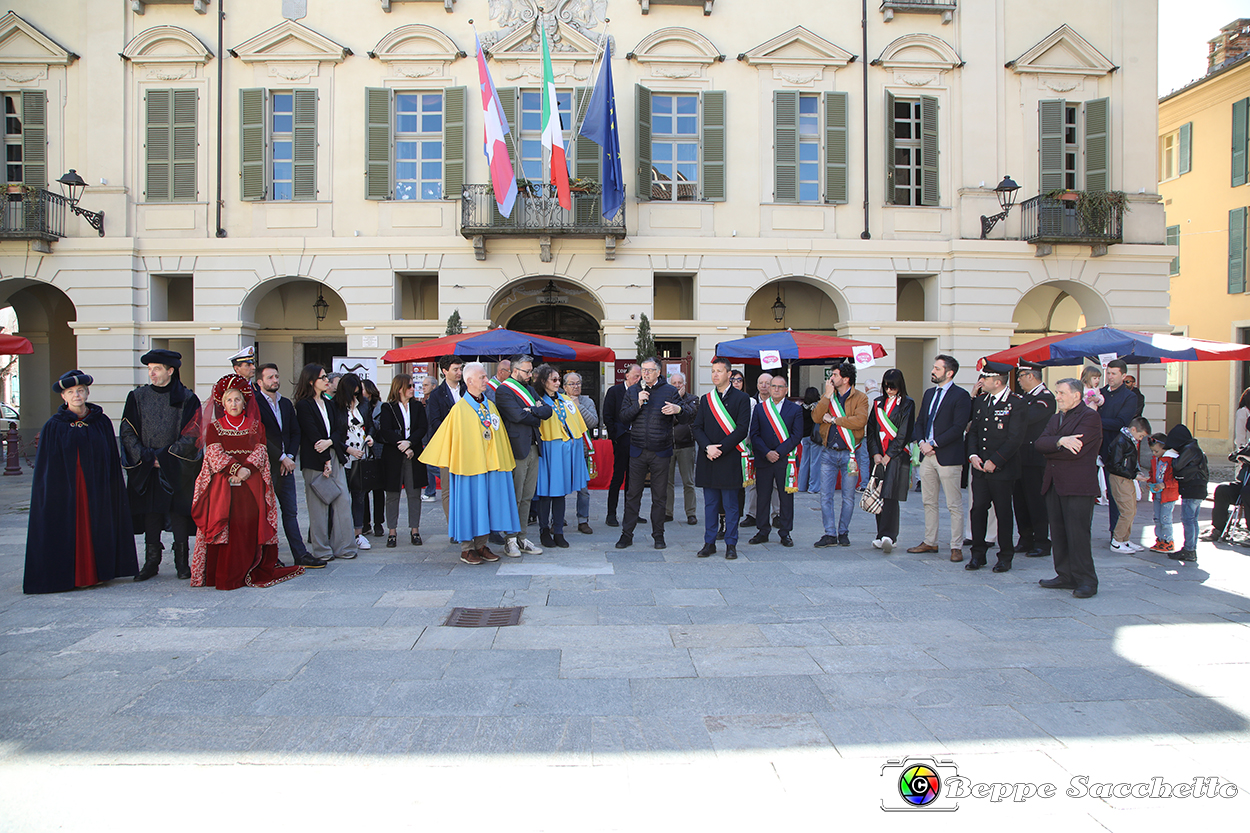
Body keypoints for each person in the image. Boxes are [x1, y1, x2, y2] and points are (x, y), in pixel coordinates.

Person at [24, 371, 138, 594]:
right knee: (71, 529)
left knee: (97, 526)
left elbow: (109, 459)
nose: (76, 395)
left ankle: (98, 572)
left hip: (97, 489)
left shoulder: (101, 422)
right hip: (66, 491)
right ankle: (70, 575)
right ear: (63, 397)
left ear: (87, 392)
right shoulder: (54, 426)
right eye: (70, 392)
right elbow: (47, 468)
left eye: (80, 391)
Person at [189, 374, 305, 590]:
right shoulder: (216, 427)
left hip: (251, 485)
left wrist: (246, 470)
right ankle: (224, 573)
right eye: (229, 400)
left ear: (244, 401)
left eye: (237, 399)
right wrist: (235, 469)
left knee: (247, 526)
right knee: (227, 527)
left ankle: (248, 569)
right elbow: (214, 454)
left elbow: (261, 451)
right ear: (223, 404)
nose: (234, 404)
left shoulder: (255, 426)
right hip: (223, 486)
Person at [419, 362, 519, 564]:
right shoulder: (459, 410)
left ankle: (481, 544)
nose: (486, 380)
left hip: (489, 465)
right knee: (469, 504)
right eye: (482, 377)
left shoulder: (489, 405)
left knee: (486, 503)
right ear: (469, 381)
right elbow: (453, 440)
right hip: (468, 467)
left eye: (485, 376)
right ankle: (467, 548)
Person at [120, 348, 202, 582]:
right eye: (149, 369)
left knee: (178, 513)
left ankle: (182, 563)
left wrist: (165, 457)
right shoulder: (137, 397)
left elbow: (193, 433)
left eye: (156, 369)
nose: (151, 374)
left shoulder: (187, 398)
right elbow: (127, 430)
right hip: (146, 464)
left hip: (176, 466)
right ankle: (151, 562)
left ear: (170, 370)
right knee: (151, 512)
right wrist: (146, 457)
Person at [616, 357, 695, 549]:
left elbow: (687, 416)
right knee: (633, 494)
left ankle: (658, 535)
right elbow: (623, 417)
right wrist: (638, 404)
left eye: (650, 370)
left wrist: (678, 409)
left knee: (659, 497)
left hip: (661, 451)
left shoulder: (669, 391)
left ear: (658, 372)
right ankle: (627, 534)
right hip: (637, 451)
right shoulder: (634, 391)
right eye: (643, 370)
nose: (646, 373)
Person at [1035, 378, 1103, 599]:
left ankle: (1086, 580)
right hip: (1054, 483)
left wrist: (1055, 444)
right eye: (1056, 392)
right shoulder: (1056, 418)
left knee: (1078, 534)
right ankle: (1065, 574)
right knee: (1059, 533)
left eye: (1062, 393)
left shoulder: (1090, 417)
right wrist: (1060, 441)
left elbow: (1076, 450)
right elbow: (1039, 444)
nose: (1057, 397)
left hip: (1078, 486)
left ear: (1077, 395)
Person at [254, 363, 325, 569]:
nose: (275, 380)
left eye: (276, 376)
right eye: (270, 377)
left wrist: (291, 455)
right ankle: (269, 556)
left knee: (290, 512)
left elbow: (295, 432)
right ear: (260, 382)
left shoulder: (285, 404)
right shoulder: (255, 403)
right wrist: (281, 457)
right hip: (267, 466)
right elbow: (259, 436)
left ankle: (300, 554)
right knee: (267, 513)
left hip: (287, 465)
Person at [907, 354, 973, 562]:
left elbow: (958, 427)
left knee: (954, 503)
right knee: (928, 501)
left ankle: (956, 546)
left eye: (937, 368)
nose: (933, 371)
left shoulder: (960, 396)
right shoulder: (929, 394)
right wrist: (922, 442)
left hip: (948, 456)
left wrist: (934, 444)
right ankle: (930, 541)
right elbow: (920, 422)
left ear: (949, 372)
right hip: (927, 456)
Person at [964, 359, 1027, 572]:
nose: (982, 381)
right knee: (978, 510)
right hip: (980, 468)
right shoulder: (982, 401)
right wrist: (973, 455)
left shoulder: (1016, 403)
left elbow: (1015, 438)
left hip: (1002, 469)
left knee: (1003, 513)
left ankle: (1005, 556)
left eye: (986, 378)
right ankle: (978, 554)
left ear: (998, 381)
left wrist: (996, 460)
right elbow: (973, 430)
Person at [294, 363, 357, 562]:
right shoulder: (304, 405)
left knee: (343, 501)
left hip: (334, 456)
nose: (327, 381)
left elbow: (340, 429)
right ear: (311, 381)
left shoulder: (329, 403)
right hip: (315, 461)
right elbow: (313, 435)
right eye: (322, 378)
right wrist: (324, 461)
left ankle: (345, 547)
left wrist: (330, 442)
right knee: (318, 506)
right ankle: (321, 550)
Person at [692, 358, 752, 559]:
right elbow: (697, 427)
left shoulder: (742, 399)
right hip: (708, 458)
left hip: (729, 459)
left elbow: (742, 429)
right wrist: (708, 447)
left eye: (719, 371)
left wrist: (722, 449)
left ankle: (731, 543)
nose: (715, 375)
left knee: (731, 505)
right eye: (713, 371)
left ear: (729, 374)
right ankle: (709, 542)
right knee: (710, 505)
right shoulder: (706, 399)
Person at [495, 354, 551, 557]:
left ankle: (522, 536)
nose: (530, 375)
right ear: (515, 370)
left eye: (531, 371)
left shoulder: (529, 389)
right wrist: (533, 412)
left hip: (534, 447)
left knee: (528, 496)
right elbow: (517, 416)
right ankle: (509, 538)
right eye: (527, 371)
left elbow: (547, 411)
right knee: (515, 496)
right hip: (517, 448)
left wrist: (532, 411)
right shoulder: (504, 390)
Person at [533, 364, 590, 548]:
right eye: (554, 380)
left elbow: (577, 426)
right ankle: (544, 531)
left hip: (564, 451)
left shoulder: (566, 400)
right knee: (546, 494)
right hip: (547, 450)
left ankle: (558, 530)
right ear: (543, 382)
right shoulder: (538, 400)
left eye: (559, 379)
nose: (558, 383)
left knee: (560, 493)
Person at [813, 362, 870, 548]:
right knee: (825, 496)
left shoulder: (860, 397)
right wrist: (827, 397)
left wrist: (835, 420)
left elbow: (860, 421)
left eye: (835, 375)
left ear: (845, 379)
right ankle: (829, 533)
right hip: (828, 452)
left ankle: (843, 531)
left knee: (848, 496)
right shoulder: (829, 396)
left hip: (850, 454)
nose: (831, 379)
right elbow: (816, 417)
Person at [865, 369, 915, 554]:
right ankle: (880, 534)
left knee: (891, 494)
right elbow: (871, 430)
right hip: (879, 455)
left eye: (892, 387)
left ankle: (890, 536)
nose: (889, 390)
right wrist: (876, 453)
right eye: (886, 386)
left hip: (896, 455)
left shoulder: (908, 404)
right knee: (878, 492)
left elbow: (904, 432)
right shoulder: (878, 402)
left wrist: (889, 454)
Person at [749, 373, 802, 547]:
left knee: (785, 497)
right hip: (764, 460)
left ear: (786, 390)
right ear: (769, 389)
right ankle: (762, 530)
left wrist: (778, 452)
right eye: (773, 386)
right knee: (762, 496)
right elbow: (754, 435)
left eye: (780, 386)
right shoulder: (760, 408)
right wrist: (766, 452)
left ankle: (785, 532)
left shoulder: (795, 409)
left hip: (784, 460)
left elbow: (796, 435)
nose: (776, 389)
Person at [378, 373, 428, 548]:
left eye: (413, 385)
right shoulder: (388, 407)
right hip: (393, 455)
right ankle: (392, 531)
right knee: (392, 495)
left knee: (414, 494)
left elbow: (422, 427)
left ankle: (415, 530)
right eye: (409, 386)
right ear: (399, 388)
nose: (413, 389)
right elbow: (386, 430)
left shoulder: (417, 406)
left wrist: (410, 443)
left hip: (413, 454)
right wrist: (401, 445)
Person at [1012, 364, 1056, 559]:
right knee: (1020, 502)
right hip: (1019, 456)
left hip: (1034, 457)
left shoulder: (1045, 398)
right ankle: (1025, 538)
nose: (1019, 380)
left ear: (1031, 376)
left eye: (1021, 376)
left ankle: (1041, 541)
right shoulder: (1025, 398)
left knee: (1036, 502)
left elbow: (1026, 418)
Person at [335, 373, 376, 552]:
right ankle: (342, 533)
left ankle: (358, 533)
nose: (355, 395)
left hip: (362, 454)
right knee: (343, 497)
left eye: (357, 392)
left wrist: (370, 437)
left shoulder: (364, 405)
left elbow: (371, 424)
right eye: (352, 392)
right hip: (345, 455)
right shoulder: (335, 407)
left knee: (359, 496)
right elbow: (334, 432)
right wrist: (347, 449)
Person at [425, 355, 467, 520]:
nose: (459, 372)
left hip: (468, 445)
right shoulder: (436, 395)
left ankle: (466, 523)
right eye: (455, 369)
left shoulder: (467, 390)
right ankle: (454, 526)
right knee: (448, 488)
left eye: (460, 369)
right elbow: (434, 422)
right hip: (448, 445)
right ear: (444, 371)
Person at [1100, 359, 1138, 533]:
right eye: (1108, 373)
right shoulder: (1100, 394)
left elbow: (1121, 422)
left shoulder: (1130, 397)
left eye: (1114, 374)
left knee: (1116, 495)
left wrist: (1095, 421)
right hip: (1096, 447)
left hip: (1116, 451)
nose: (1110, 377)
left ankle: (1117, 535)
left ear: (1123, 376)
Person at [602, 363, 641, 527]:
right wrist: (615, 436)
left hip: (638, 440)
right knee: (618, 477)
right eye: (636, 376)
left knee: (634, 480)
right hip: (622, 438)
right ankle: (611, 514)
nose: (639, 379)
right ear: (626, 375)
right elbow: (607, 415)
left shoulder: (642, 393)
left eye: (640, 376)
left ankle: (632, 513)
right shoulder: (615, 391)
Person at [1106, 416, 1151, 553]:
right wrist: (1134, 474)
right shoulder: (1121, 441)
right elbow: (1115, 465)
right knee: (1127, 511)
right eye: (1141, 435)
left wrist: (1136, 472)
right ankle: (1117, 541)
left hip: (1126, 477)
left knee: (1131, 510)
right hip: (1121, 479)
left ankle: (1124, 539)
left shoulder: (1128, 440)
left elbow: (1129, 461)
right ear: (1133, 429)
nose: (1141, 438)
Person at [1167, 423, 1208, 564]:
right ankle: (1190, 549)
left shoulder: (1189, 449)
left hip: (1192, 489)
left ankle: (1189, 550)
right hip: (1197, 489)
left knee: (1188, 520)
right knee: (1192, 520)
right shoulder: (1194, 448)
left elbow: (1178, 466)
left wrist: (1173, 457)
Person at [563, 371, 598, 534]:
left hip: (582, 451)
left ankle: (583, 520)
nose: (575, 386)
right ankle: (557, 518)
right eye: (572, 384)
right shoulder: (559, 400)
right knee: (560, 487)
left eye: (578, 383)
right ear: (564, 387)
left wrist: (578, 406)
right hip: (563, 450)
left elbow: (593, 422)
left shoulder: (587, 401)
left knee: (583, 489)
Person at [666, 372, 699, 526]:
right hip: (668, 446)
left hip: (686, 445)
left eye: (680, 383)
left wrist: (677, 404)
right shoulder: (665, 400)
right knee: (667, 482)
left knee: (688, 482)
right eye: (674, 383)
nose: (677, 385)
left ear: (685, 384)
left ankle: (691, 513)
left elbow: (689, 415)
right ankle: (667, 512)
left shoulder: (693, 399)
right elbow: (669, 420)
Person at [742, 372, 773, 527]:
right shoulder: (751, 402)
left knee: (775, 483)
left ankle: (777, 514)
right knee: (753, 481)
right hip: (754, 446)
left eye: (768, 383)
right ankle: (752, 514)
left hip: (774, 449)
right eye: (761, 382)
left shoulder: (778, 402)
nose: (764, 385)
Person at [361, 378, 387, 537]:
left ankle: (378, 523)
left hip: (378, 452)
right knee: (362, 490)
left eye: (362, 389)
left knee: (378, 490)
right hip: (363, 453)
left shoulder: (381, 407)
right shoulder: (358, 407)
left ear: (370, 391)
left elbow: (382, 428)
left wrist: (371, 430)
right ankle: (365, 523)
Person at [1146, 432, 1180, 553]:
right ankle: (1160, 539)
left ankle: (1168, 541)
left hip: (1168, 495)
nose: (1154, 454)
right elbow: (1152, 473)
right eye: (1153, 451)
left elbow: (1177, 479)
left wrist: (1165, 485)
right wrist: (1150, 481)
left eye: (1156, 451)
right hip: (1157, 493)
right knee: (1157, 518)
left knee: (1165, 519)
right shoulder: (1156, 460)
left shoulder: (1173, 460)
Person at [797, 387, 823, 493]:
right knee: (815, 462)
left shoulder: (801, 408)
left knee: (804, 461)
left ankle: (801, 485)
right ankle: (813, 487)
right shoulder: (818, 408)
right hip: (815, 437)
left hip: (804, 437)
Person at [419, 375, 439, 501]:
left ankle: (431, 491)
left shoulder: (434, 401)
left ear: (433, 386)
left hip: (432, 437)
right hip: (428, 437)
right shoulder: (428, 400)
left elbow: (432, 421)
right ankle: (430, 491)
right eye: (422, 385)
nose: (423, 388)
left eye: (426, 385)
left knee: (430, 465)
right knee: (428, 465)